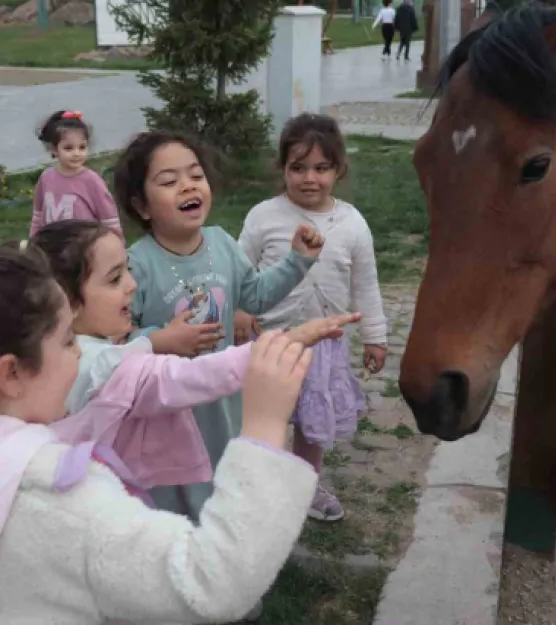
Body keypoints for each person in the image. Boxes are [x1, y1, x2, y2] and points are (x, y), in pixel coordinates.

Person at [0, 246, 328, 624]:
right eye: (66, 341)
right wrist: (262, 430)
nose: (80, 353)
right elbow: (213, 583)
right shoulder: (63, 499)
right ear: (11, 373)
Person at [31, 220, 359, 496]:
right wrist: (288, 342)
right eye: (115, 279)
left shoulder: (48, 353)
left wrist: (150, 340)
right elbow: (196, 376)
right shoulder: (102, 366)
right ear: (69, 302)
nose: (132, 286)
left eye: (126, 273)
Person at [114, 131, 323, 519]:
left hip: (225, 400)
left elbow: (254, 297)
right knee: (177, 488)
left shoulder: (222, 244)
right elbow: (116, 342)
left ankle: (227, 536)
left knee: (225, 472)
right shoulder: (136, 265)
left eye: (195, 175)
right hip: (171, 409)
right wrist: (159, 339)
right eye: (169, 181)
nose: (187, 186)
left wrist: (297, 261)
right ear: (142, 206)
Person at [236, 114, 388, 523]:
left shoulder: (353, 224)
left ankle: (305, 484)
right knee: (265, 416)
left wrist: (375, 336)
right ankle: (255, 482)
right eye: (298, 168)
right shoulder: (263, 217)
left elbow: (367, 285)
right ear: (282, 168)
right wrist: (241, 309)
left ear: (339, 169)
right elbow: (240, 270)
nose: (309, 178)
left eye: (322, 168)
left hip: (323, 345)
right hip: (271, 341)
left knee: (310, 422)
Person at [29, 111, 122, 238]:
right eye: (68, 148)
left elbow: (109, 220)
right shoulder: (46, 178)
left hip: (84, 250)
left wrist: (116, 248)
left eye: (82, 147)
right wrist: (33, 242)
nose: (76, 153)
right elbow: (38, 216)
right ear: (54, 149)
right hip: (51, 249)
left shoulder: (92, 181)